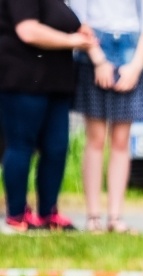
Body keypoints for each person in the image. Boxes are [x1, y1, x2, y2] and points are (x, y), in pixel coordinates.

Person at [0, 0, 94, 233]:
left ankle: (48, 213)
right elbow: (28, 30)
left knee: (57, 148)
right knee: (21, 146)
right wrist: (72, 40)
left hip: (56, 82)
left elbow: (61, 22)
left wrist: (78, 31)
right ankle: (17, 214)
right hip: (22, 79)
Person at [70, 0, 143, 234]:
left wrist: (136, 67)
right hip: (94, 48)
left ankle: (116, 217)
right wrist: (98, 60)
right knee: (96, 138)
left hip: (131, 49)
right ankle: (93, 217)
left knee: (121, 141)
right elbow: (79, 18)